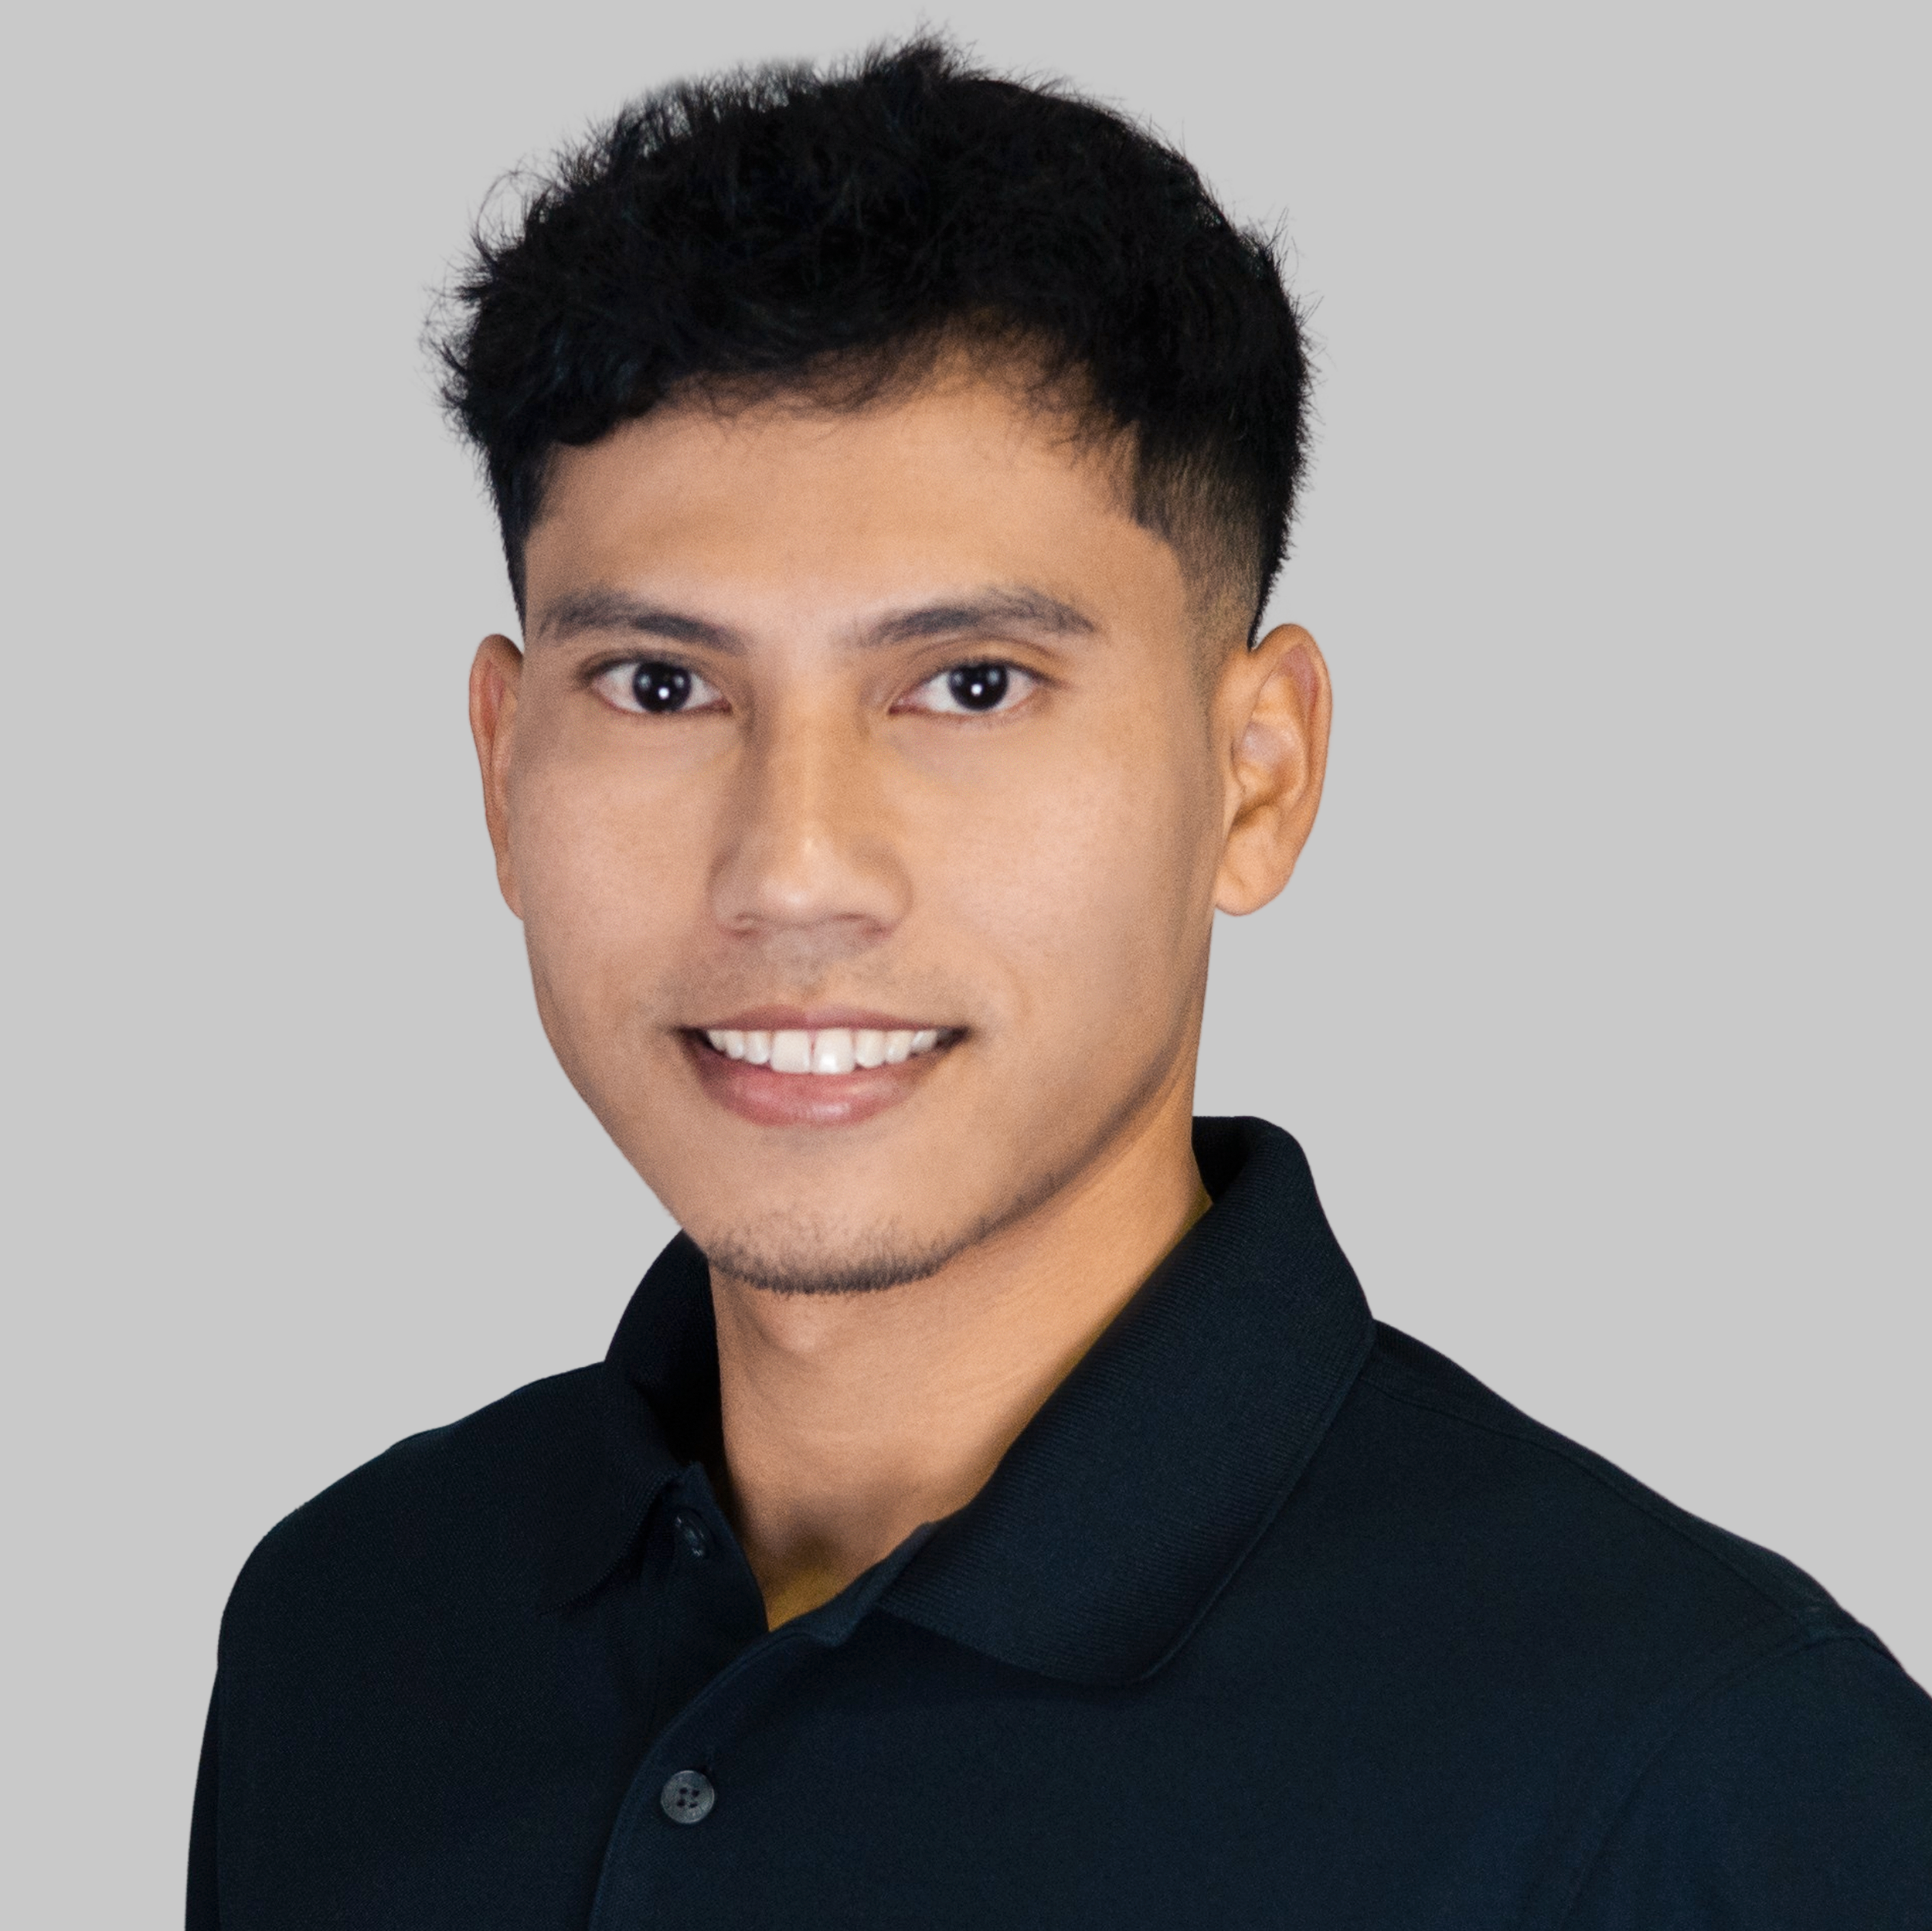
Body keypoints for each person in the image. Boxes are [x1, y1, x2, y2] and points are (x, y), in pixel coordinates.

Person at [186, 37, 1932, 1929]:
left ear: (1255, 775)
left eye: (968, 685)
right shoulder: (350, 1626)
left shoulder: (1700, 1775)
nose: (789, 868)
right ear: (501, 768)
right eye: (664, 688)